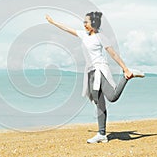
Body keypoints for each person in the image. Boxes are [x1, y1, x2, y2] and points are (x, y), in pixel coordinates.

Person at [45, 11, 144, 143]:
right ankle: (101, 134)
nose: (84, 24)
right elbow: (67, 29)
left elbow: (113, 54)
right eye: (84, 22)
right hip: (90, 73)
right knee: (99, 104)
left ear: (94, 24)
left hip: (100, 70)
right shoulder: (83, 35)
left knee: (112, 97)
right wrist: (53, 22)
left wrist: (124, 68)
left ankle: (127, 76)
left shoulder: (100, 37)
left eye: (87, 22)